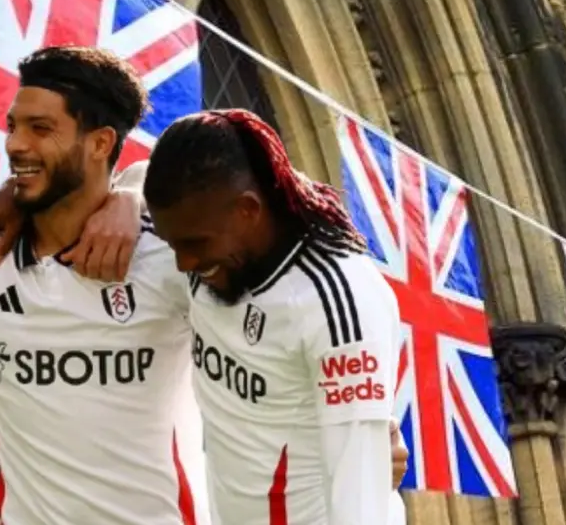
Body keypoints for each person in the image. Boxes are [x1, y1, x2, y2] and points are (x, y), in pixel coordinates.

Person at [0, 46, 209, 525]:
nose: (15, 144)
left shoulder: (170, 257)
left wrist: (135, 192)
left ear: (99, 143)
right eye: (13, 126)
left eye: (40, 128)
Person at [141, 109, 403, 525]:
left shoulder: (340, 297)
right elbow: (130, 178)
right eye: (170, 242)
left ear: (248, 209)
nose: (182, 262)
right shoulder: (203, 243)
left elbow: (361, 487)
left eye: (193, 244)